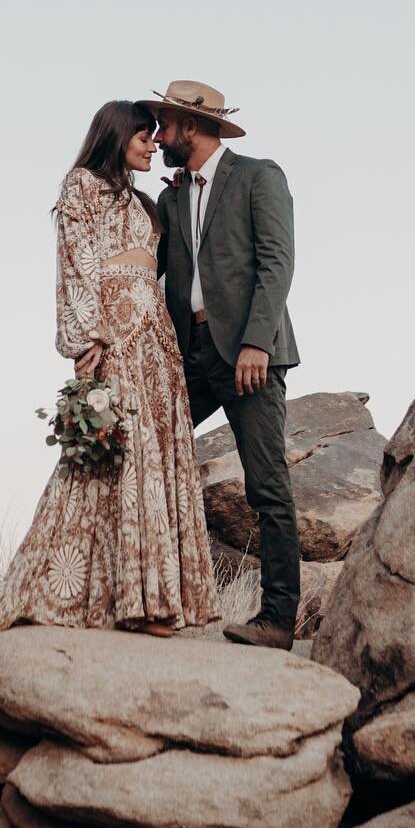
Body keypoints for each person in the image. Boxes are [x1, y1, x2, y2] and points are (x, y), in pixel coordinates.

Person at [0, 99, 220, 796]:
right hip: (116, 344)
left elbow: (163, 273)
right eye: (144, 136)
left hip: (157, 347)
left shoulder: (147, 203)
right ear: (115, 136)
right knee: (104, 464)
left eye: (160, 138)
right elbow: (74, 268)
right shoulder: (81, 191)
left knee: (152, 463)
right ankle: (111, 597)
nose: (154, 144)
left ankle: (155, 600)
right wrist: (87, 341)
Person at [152, 80, 301, 650]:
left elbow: (276, 263)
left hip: (249, 356)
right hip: (190, 357)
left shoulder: (259, 176)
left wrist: (256, 343)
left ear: (190, 126)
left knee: (267, 487)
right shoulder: (170, 197)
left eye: (165, 125)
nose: (159, 135)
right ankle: (146, 596)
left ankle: (278, 619)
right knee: (144, 454)